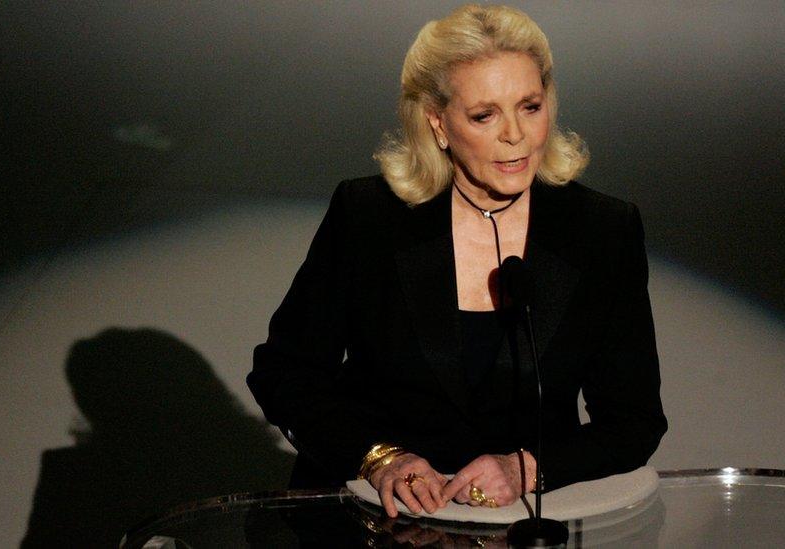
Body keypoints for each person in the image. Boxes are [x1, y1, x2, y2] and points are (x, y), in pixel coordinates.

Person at [248, 3, 666, 519]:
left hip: (520, 527)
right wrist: (379, 458)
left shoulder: (602, 230)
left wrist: (525, 468)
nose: (515, 134)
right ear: (437, 123)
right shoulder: (369, 217)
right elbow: (286, 373)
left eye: (530, 106)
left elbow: (634, 422)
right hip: (373, 520)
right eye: (485, 115)